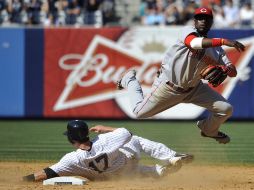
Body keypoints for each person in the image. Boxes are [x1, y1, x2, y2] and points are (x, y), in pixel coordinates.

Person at [116, 7, 245, 144]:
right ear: (194, 21)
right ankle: (129, 79)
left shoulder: (217, 50)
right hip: (169, 87)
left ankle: (209, 130)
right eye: (200, 18)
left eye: (206, 19)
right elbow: (194, 43)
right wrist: (225, 41)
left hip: (195, 89)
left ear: (211, 22)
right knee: (139, 112)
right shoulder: (188, 31)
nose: (203, 21)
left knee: (226, 109)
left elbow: (233, 71)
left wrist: (226, 69)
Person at [23, 120, 193, 182]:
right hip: (128, 160)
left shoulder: (72, 159)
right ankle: (170, 157)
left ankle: (158, 171)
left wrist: (26, 179)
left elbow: (48, 173)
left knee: (130, 173)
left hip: (114, 174)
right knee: (135, 140)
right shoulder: (104, 139)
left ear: (72, 140)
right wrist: (105, 128)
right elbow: (127, 133)